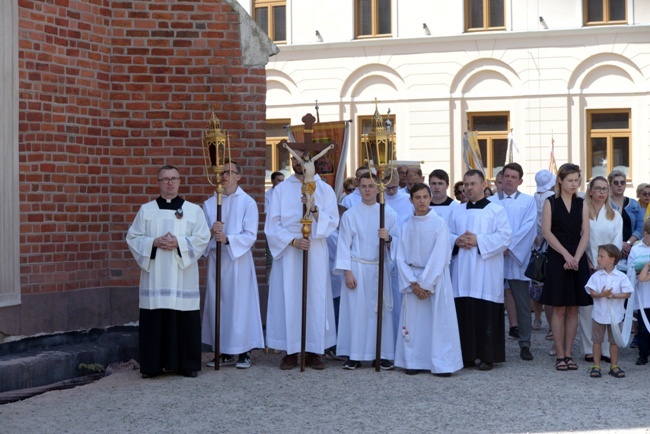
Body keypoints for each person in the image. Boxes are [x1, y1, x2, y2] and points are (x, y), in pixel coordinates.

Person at [126, 165, 211, 379]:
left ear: (180, 181)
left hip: (183, 276)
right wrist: (153, 242)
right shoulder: (146, 210)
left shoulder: (194, 210)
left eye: (174, 178)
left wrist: (179, 243)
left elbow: (203, 238)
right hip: (155, 276)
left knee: (184, 317)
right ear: (158, 183)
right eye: (165, 179)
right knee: (155, 317)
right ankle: (152, 366)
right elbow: (133, 238)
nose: (170, 183)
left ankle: (187, 364)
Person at [265, 150, 340, 370]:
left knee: (315, 297)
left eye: (306, 160)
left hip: (314, 248)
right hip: (289, 250)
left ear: (314, 162)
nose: (301, 164)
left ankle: (314, 350)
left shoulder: (324, 189)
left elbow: (333, 222)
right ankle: (291, 350)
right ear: (292, 162)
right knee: (288, 297)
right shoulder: (280, 190)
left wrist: (314, 209)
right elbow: (272, 224)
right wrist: (292, 241)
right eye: (297, 160)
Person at [394, 183, 463, 376]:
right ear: (411, 200)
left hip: (435, 279)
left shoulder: (439, 223)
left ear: (430, 198)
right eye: (418, 197)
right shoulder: (406, 225)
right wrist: (412, 283)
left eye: (425, 197)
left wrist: (425, 283)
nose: (422, 201)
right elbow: (399, 257)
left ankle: (442, 364)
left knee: (438, 323)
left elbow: (440, 256)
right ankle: (414, 362)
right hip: (413, 280)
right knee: (415, 325)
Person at [201, 161, 264, 369]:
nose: (224, 176)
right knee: (217, 303)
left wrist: (228, 239)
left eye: (229, 172)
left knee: (239, 305)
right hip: (216, 261)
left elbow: (250, 234)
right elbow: (201, 236)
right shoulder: (210, 204)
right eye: (221, 172)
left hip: (237, 260)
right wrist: (211, 234)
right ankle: (223, 350)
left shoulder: (247, 203)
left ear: (238, 176)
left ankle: (243, 351)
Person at [448, 169, 511, 371]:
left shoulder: (496, 210)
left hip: (486, 270)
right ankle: (466, 355)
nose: (468, 188)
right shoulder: (456, 210)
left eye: (473, 184)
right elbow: (446, 234)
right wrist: (456, 240)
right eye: (466, 184)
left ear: (483, 185)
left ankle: (487, 356)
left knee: (486, 311)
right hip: (462, 271)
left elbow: (504, 237)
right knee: (464, 310)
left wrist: (478, 240)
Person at [335, 173, 400, 370]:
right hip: (357, 268)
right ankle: (354, 354)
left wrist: (388, 239)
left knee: (379, 313)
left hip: (378, 267)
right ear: (358, 189)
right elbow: (344, 245)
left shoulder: (388, 213)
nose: (367, 190)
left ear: (378, 188)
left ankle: (382, 354)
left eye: (371, 186)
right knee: (356, 312)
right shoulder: (350, 214)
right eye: (363, 186)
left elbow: (399, 243)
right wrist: (347, 272)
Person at [539, 163, 591, 372]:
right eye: (570, 180)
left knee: (573, 308)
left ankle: (569, 353)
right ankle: (559, 354)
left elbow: (585, 233)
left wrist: (576, 257)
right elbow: (547, 232)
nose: (574, 184)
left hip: (577, 258)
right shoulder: (550, 202)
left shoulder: (582, 203)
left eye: (577, 180)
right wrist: (566, 255)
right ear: (560, 180)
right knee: (558, 308)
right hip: (558, 256)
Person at [488, 162, 537, 361]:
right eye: (506, 176)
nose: (509, 179)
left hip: (517, 258)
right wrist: (498, 246)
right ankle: (490, 343)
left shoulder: (527, 202)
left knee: (522, 304)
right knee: (490, 299)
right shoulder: (490, 201)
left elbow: (529, 227)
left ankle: (525, 343)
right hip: (494, 257)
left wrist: (509, 246)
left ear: (520, 181)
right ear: (501, 178)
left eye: (513, 177)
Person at [579, 176, 622, 364]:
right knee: (587, 308)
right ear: (590, 191)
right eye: (598, 188)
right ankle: (589, 348)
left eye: (605, 189)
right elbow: (581, 238)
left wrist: (607, 264)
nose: (602, 192)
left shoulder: (615, 215)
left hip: (607, 267)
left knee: (606, 305)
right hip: (586, 264)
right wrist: (590, 261)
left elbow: (617, 243)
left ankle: (605, 349)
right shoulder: (583, 213)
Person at [585, 244, 632, 378]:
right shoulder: (596, 276)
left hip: (615, 315)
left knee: (614, 341)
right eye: (598, 256)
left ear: (612, 259)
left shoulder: (621, 276)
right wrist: (602, 294)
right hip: (599, 314)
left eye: (601, 256)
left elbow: (628, 293)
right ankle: (596, 365)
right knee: (597, 340)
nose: (598, 259)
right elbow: (592, 292)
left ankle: (614, 365)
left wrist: (614, 295)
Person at [532, 170, 556, 340]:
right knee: (550, 289)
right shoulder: (553, 197)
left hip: (536, 246)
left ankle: (538, 318)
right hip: (550, 246)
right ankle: (551, 328)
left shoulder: (533, 197)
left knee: (537, 286)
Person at [608, 170, 644, 267]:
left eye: (622, 182)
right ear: (610, 185)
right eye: (616, 182)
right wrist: (619, 244)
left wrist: (628, 243)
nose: (619, 185)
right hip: (609, 249)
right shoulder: (605, 204)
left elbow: (640, 227)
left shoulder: (634, 204)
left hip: (630, 249)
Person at [628, 219, 650, 366]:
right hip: (644, 297)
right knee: (643, 328)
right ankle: (643, 354)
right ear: (646, 234)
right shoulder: (636, 249)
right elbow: (630, 269)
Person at [265, 171, 285, 282]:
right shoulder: (268, 195)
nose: (281, 183)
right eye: (278, 180)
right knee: (270, 259)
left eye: (283, 180)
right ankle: (269, 282)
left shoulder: (286, 194)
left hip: (285, 231)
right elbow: (268, 213)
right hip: (273, 229)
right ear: (272, 181)